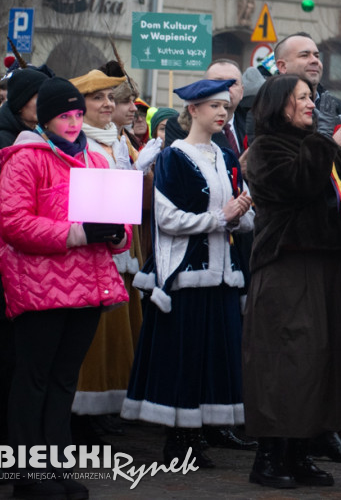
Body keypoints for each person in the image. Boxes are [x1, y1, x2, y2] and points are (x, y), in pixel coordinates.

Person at [0, 77, 130, 500]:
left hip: (87, 286)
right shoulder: (26, 158)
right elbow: (13, 223)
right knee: (33, 379)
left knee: (63, 380)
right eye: (63, 116)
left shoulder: (96, 160)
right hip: (40, 287)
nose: (73, 123)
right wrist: (77, 232)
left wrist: (115, 234)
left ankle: (55, 468)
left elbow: (121, 227)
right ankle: (27, 477)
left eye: (77, 115)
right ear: (46, 118)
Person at [243, 75, 341, 488]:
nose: (312, 104)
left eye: (312, 98)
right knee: (288, 361)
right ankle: (269, 456)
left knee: (323, 361)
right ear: (281, 105)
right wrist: (323, 141)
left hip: (329, 266)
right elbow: (301, 185)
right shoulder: (265, 149)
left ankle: (299, 453)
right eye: (303, 98)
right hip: (289, 268)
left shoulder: (311, 145)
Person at [121, 79, 254, 468]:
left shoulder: (228, 157)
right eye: (214, 106)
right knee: (183, 355)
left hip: (222, 272)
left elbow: (241, 218)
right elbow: (166, 218)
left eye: (225, 107)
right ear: (192, 110)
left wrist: (242, 215)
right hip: (184, 272)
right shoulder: (172, 157)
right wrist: (220, 217)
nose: (221, 113)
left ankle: (198, 437)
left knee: (214, 355)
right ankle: (177, 440)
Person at [67, 69, 145, 440]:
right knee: (91, 340)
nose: (108, 104)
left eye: (110, 97)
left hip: (121, 247)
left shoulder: (116, 141)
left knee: (118, 335)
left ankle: (103, 408)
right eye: (98, 98)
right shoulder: (80, 143)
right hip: (92, 253)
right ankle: (82, 413)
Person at [0, 67, 48, 484]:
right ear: (21, 101)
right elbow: (0, 218)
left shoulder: (28, 141)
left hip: (15, 276)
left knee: (9, 367)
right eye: (38, 99)